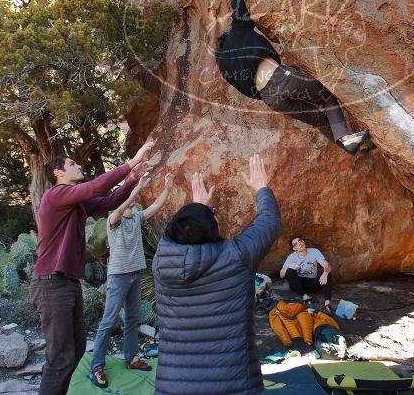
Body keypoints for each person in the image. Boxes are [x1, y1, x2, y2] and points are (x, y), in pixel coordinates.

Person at [29, 141, 153, 395]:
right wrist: (130, 162)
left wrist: (131, 180)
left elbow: (108, 201)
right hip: (51, 285)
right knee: (61, 358)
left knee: (73, 354)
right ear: (58, 173)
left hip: (66, 285)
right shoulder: (56, 195)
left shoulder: (75, 204)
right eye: (72, 163)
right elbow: (95, 187)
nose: (79, 165)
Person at [152, 154, 281, 394]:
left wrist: (199, 209)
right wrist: (261, 188)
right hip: (233, 385)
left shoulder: (161, 262)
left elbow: (183, 232)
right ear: (212, 229)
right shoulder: (235, 256)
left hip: (174, 386)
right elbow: (269, 222)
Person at [215, 0, 373, 154]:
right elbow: (238, 9)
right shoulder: (236, 34)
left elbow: (245, 90)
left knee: (318, 120)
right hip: (282, 79)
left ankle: (353, 146)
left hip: (271, 99)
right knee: (327, 96)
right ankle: (346, 139)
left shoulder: (224, 67)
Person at [89, 171, 175, 389]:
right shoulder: (113, 221)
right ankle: (96, 367)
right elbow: (118, 208)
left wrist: (167, 187)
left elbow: (156, 207)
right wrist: (136, 189)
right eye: (131, 203)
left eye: (133, 203)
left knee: (132, 320)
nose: (133, 205)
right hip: (118, 276)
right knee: (109, 322)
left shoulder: (136, 218)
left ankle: (131, 357)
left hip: (135, 273)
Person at [280, 236, 333, 311]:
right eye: (296, 244)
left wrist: (325, 273)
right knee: (289, 271)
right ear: (294, 249)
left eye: (300, 241)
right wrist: (288, 267)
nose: (299, 244)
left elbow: (326, 265)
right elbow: (281, 274)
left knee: (328, 274)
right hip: (298, 286)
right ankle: (305, 297)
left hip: (312, 284)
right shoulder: (292, 257)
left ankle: (327, 304)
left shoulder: (314, 251)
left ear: (304, 242)